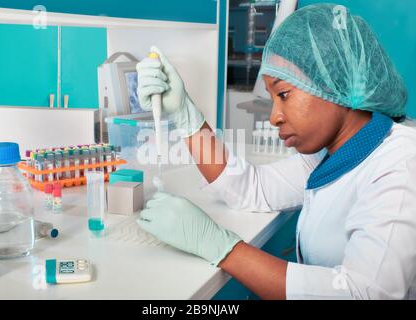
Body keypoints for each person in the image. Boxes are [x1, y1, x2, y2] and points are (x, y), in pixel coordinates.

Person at [135, 3, 416, 299]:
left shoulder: (401, 164)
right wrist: (185, 116)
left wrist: (221, 247)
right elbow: (251, 188)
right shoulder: (333, 153)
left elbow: (366, 294)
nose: (273, 117)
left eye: (284, 94)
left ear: (334, 83)